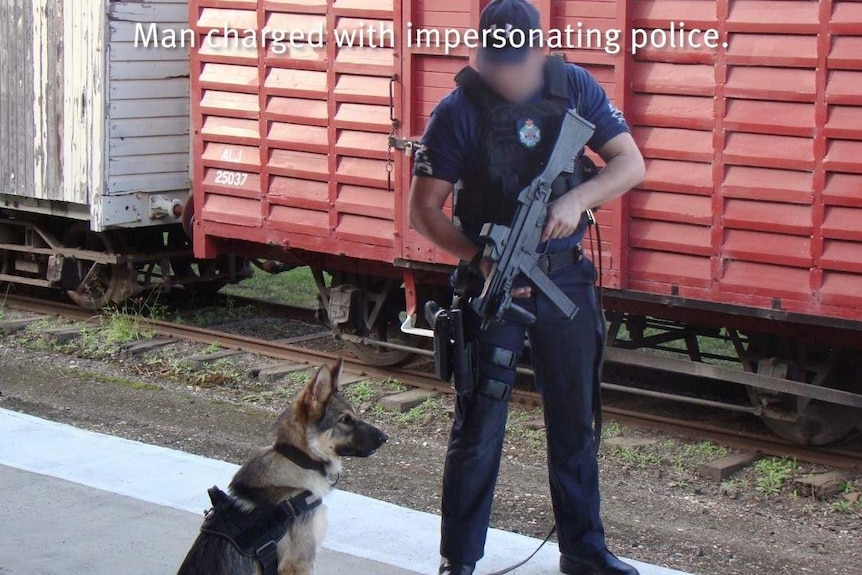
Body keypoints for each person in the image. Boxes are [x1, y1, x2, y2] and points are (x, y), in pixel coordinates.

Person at [408, 1, 646, 574]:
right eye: (497, 63)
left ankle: (583, 553)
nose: (507, 75)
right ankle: (459, 561)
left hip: (564, 275)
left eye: (516, 62)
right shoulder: (457, 111)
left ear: (541, 50)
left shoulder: (577, 87)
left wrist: (575, 199)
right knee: (479, 429)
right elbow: (423, 212)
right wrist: (480, 260)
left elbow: (630, 165)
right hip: (495, 287)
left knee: (575, 424)